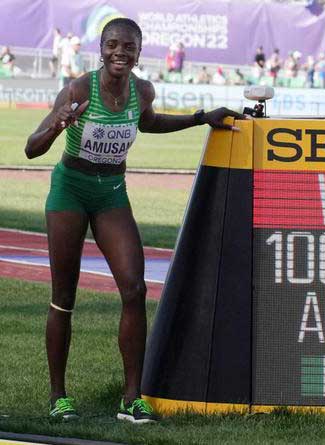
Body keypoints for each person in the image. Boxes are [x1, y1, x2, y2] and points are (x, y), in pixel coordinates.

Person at [23, 18, 245, 424]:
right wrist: (59, 123)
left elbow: (149, 122)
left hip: (111, 192)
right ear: (101, 49)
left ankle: (131, 398)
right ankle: (59, 396)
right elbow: (31, 149)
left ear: (140, 52)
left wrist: (199, 117)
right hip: (70, 189)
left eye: (128, 46)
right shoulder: (77, 88)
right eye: (111, 45)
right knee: (64, 296)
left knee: (135, 288)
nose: (119, 52)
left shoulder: (142, 91)